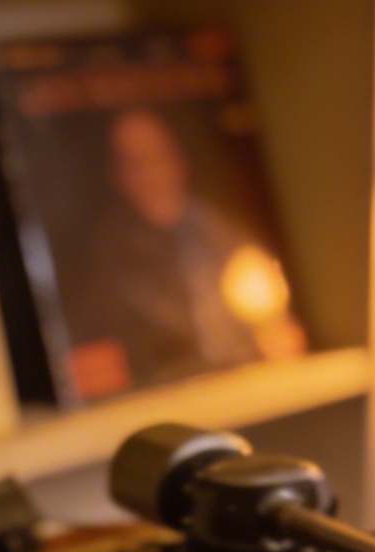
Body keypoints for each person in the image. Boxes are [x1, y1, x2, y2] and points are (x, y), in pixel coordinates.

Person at [61, 106, 301, 397]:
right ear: (118, 175)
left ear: (178, 160)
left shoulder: (222, 234)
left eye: (159, 156)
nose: (152, 173)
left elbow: (270, 318)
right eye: (135, 164)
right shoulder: (106, 261)